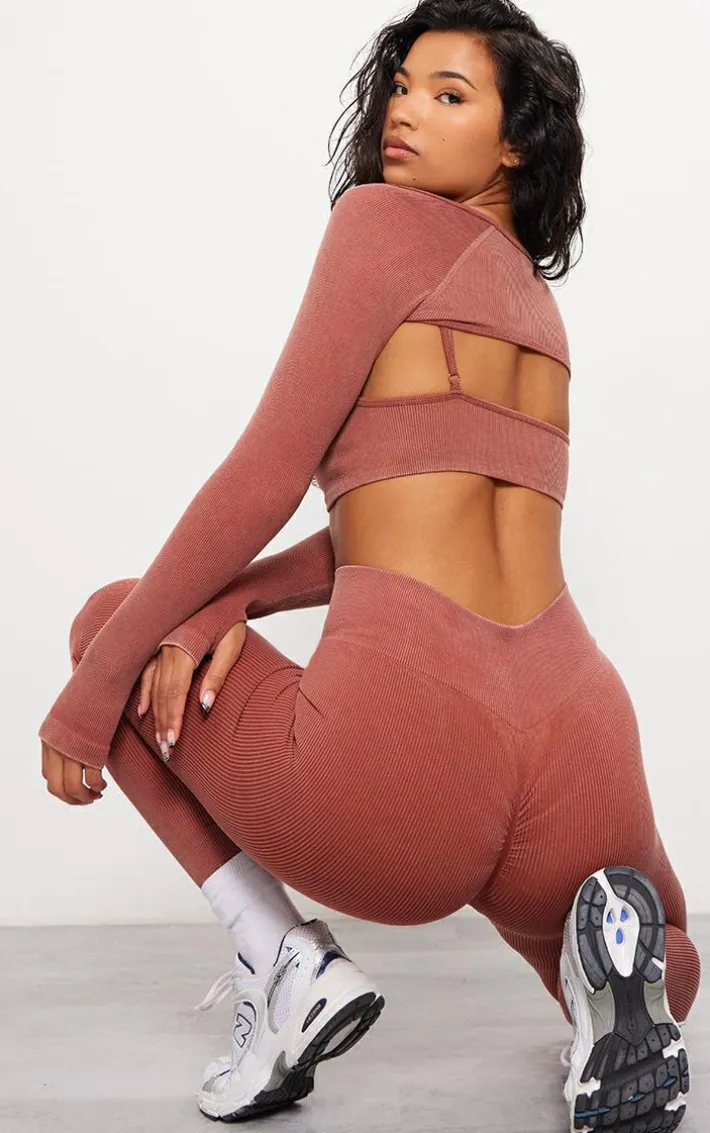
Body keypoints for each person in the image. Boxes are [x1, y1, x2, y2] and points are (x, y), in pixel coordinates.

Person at [38, 1, 700, 1128]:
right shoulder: (539, 312)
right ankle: (607, 1001)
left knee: (112, 615)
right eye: (401, 86)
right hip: (579, 732)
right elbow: (394, 518)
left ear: (514, 141)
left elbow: (265, 472)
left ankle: (283, 961)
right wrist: (233, 602)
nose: (404, 111)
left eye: (449, 94)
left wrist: (91, 690)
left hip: (406, 743)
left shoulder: (381, 225)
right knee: (663, 944)